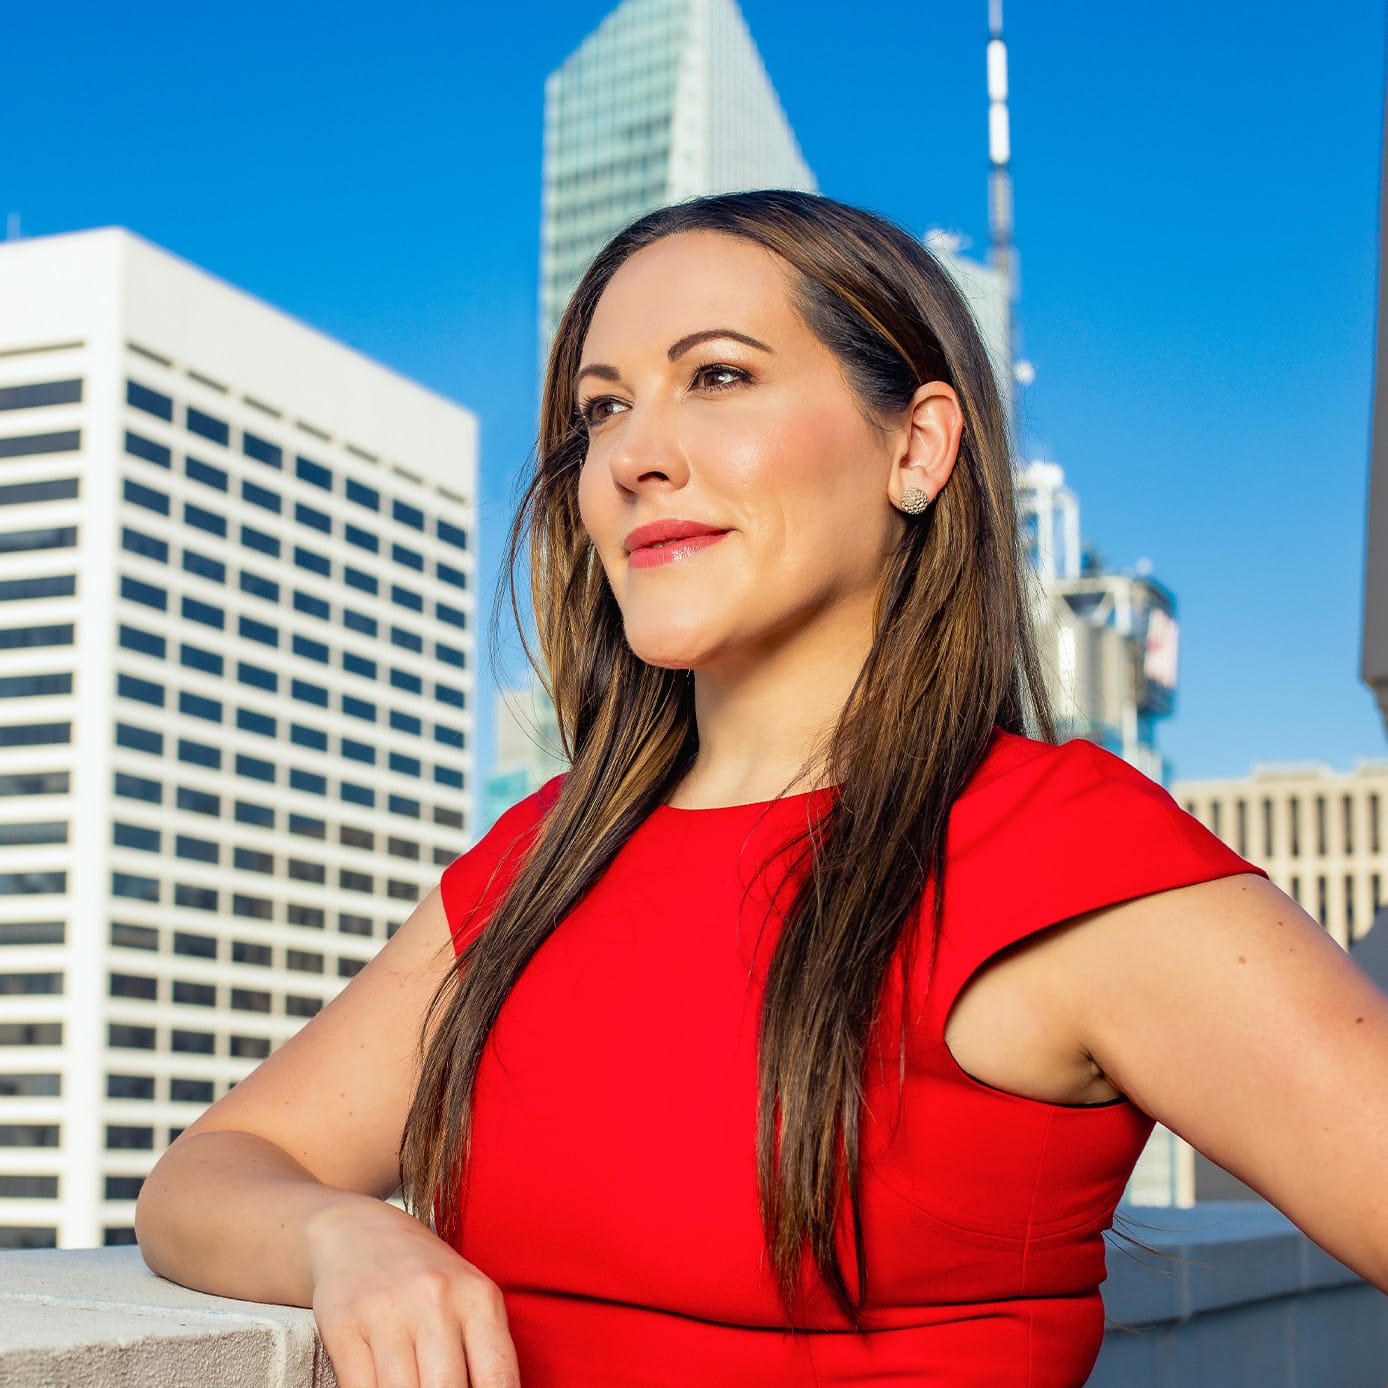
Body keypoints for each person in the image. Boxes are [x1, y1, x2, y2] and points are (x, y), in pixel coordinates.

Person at [135, 190, 1388, 1387]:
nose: (633, 453)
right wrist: (346, 1238)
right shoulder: (540, 853)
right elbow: (216, 1170)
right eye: (600, 408)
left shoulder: (1056, 847)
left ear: (916, 444)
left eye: (717, 375)